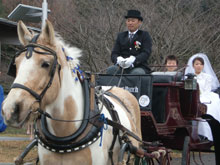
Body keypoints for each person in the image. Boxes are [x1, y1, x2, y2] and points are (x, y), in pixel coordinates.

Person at [185, 53, 220, 141]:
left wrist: (199, 95)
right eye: (197, 64)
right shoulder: (189, 78)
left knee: (206, 108)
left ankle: (205, 134)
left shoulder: (207, 77)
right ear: (193, 65)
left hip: (205, 96)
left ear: (203, 66)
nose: (199, 66)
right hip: (193, 96)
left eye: (201, 64)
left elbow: (207, 90)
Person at [107, 9, 152, 75]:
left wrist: (134, 60)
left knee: (136, 73)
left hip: (138, 66)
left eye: (133, 21)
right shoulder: (121, 36)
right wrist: (118, 59)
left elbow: (146, 53)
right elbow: (114, 53)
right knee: (111, 70)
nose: (130, 23)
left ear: (139, 22)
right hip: (121, 67)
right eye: (128, 21)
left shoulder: (144, 35)